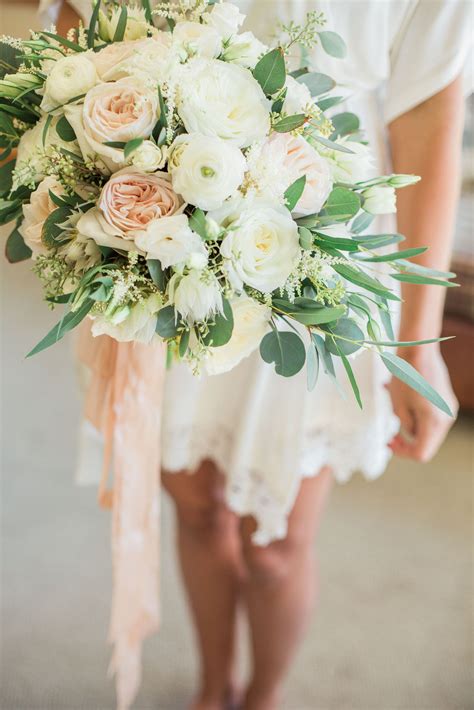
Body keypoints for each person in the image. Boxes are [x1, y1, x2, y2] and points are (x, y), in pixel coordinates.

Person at [38, 1, 472, 708]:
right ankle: (214, 688)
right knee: (199, 511)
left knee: (274, 547)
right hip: (164, 233)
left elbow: (429, 117)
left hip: (318, 248)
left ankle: (263, 698)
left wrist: (418, 344)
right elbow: (75, 30)